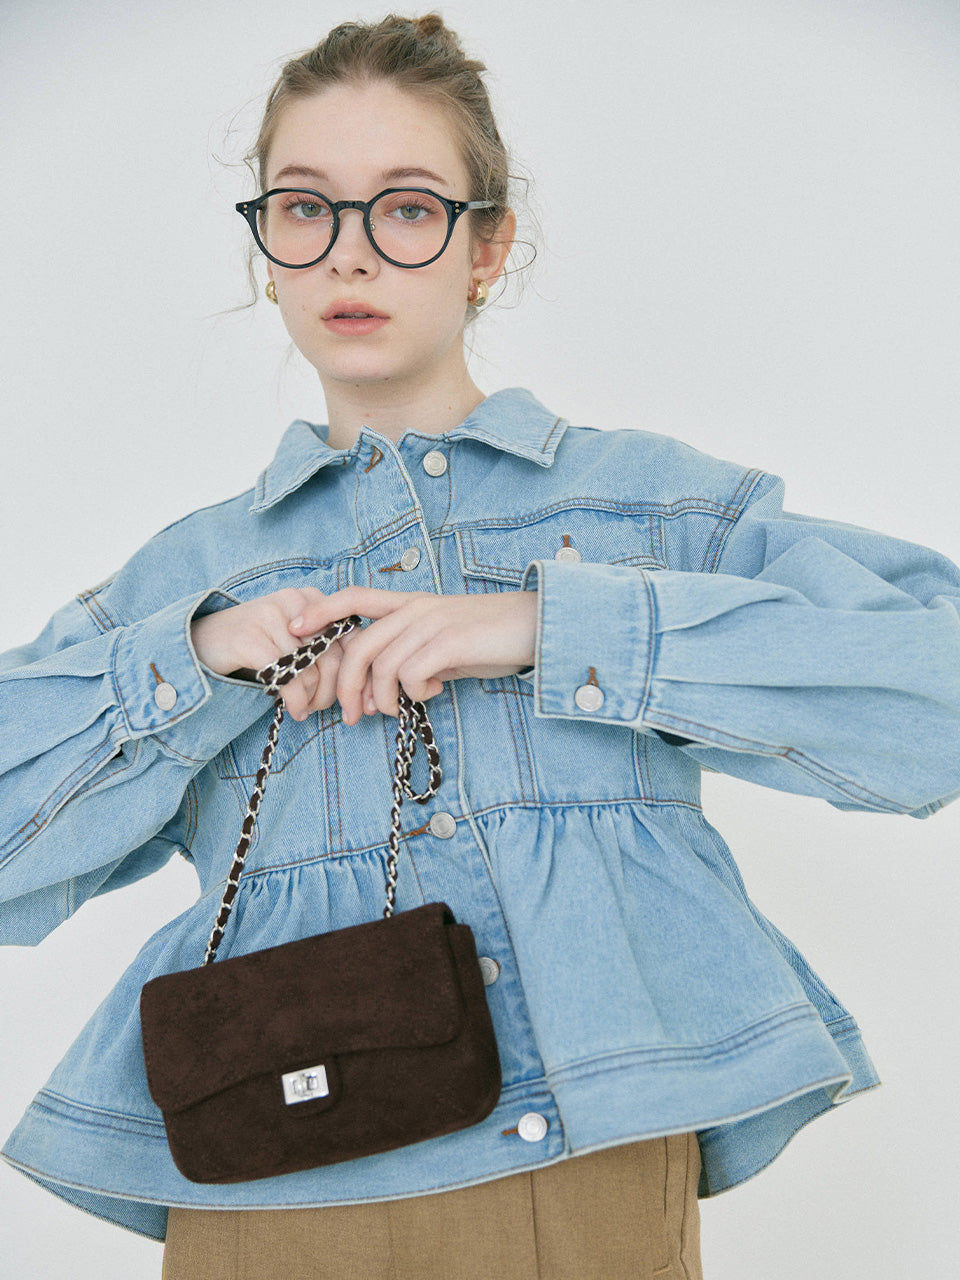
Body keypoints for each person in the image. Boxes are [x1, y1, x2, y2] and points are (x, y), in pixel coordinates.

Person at [1, 12, 959, 1280]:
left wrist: (550, 625)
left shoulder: (648, 511)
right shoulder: (192, 575)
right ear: (267, 248)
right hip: (267, 1180)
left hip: (578, 1169)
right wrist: (201, 658)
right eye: (305, 208)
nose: (350, 253)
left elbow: (933, 690)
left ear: (486, 245)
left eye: (406, 208)